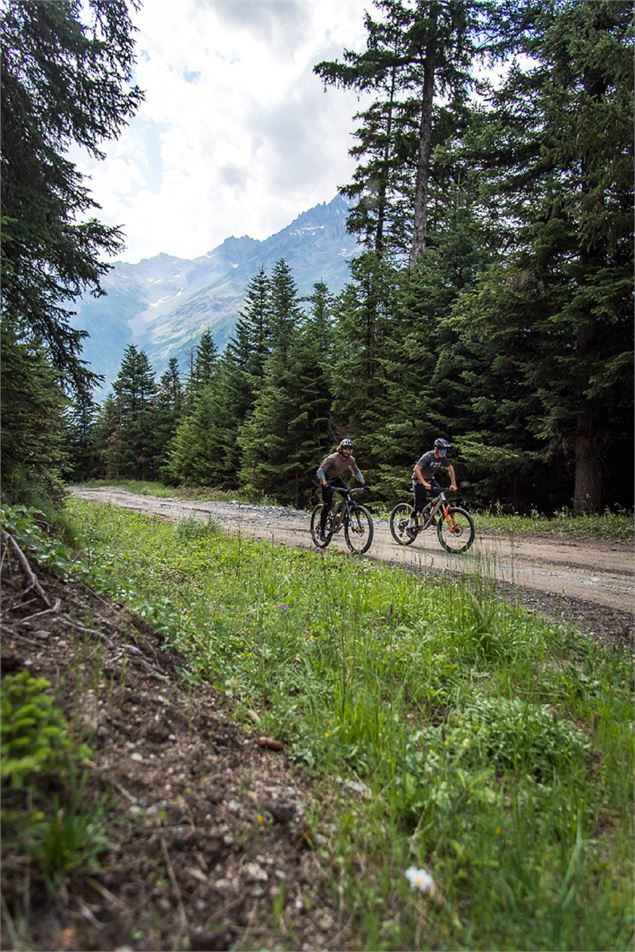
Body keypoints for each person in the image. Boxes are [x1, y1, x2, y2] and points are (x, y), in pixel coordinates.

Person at [317, 438, 366, 538]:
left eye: (349, 449)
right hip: (326, 479)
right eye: (345, 449)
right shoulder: (333, 458)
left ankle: (340, 516)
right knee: (327, 506)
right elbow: (320, 471)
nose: (347, 451)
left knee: (348, 495)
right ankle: (322, 530)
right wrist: (325, 483)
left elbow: (356, 471)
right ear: (341, 448)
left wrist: (363, 483)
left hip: (336, 479)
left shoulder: (351, 460)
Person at [408, 437, 458, 530]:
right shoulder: (428, 456)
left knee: (441, 496)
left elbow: (450, 468)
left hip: (430, 480)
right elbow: (416, 469)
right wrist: (423, 483)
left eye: (445, 451)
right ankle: (410, 524)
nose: (444, 453)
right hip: (418, 481)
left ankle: (430, 515)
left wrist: (453, 483)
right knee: (418, 505)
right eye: (442, 450)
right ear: (436, 449)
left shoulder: (442, 458)